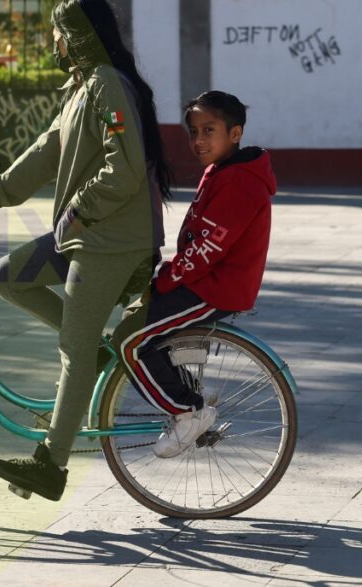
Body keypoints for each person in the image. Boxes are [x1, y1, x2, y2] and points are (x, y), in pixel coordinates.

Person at [0, 0, 171, 502]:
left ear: (74, 35)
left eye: (56, 31)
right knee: (8, 275)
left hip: (109, 239)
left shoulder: (108, 86)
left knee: (71, 349)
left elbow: (127, 167)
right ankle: (95, 356)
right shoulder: (82, 88)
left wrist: (79, 209)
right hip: (85, 234)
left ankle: (50, 464)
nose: (52, 41)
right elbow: (44, 153)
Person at [109, 90, 277, 458]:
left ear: (235, 133)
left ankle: (188, 412)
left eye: (209, 130)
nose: (199, 140)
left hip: (216, 289)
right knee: (142, 324)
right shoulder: (223, 171)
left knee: (129, 340)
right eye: (193, 131)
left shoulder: (241, 182)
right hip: (203, 281)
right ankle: (189, 393)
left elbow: (208, 248)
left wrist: (165, 279)